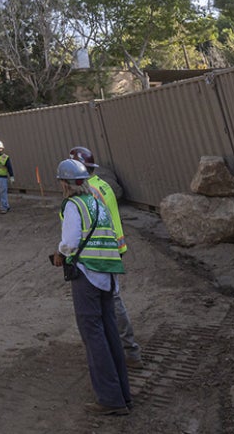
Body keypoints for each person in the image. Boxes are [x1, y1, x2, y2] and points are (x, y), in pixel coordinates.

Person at [50, 158, 132, 416]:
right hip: (109, 273)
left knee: (93, 334)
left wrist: (60, 253)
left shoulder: (73, 205)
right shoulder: (97, 202)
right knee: (109, 331)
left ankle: (110, 399)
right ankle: (123, 394)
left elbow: (70, 242)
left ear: (66, 184)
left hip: (87, 274)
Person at [70, 146, 144, 368]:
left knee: (111, 300)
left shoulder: (88, 192)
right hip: (113, 248)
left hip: (102, 253)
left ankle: (129, 350)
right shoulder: (102, 185)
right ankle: (123, 348)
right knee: (110, 299)